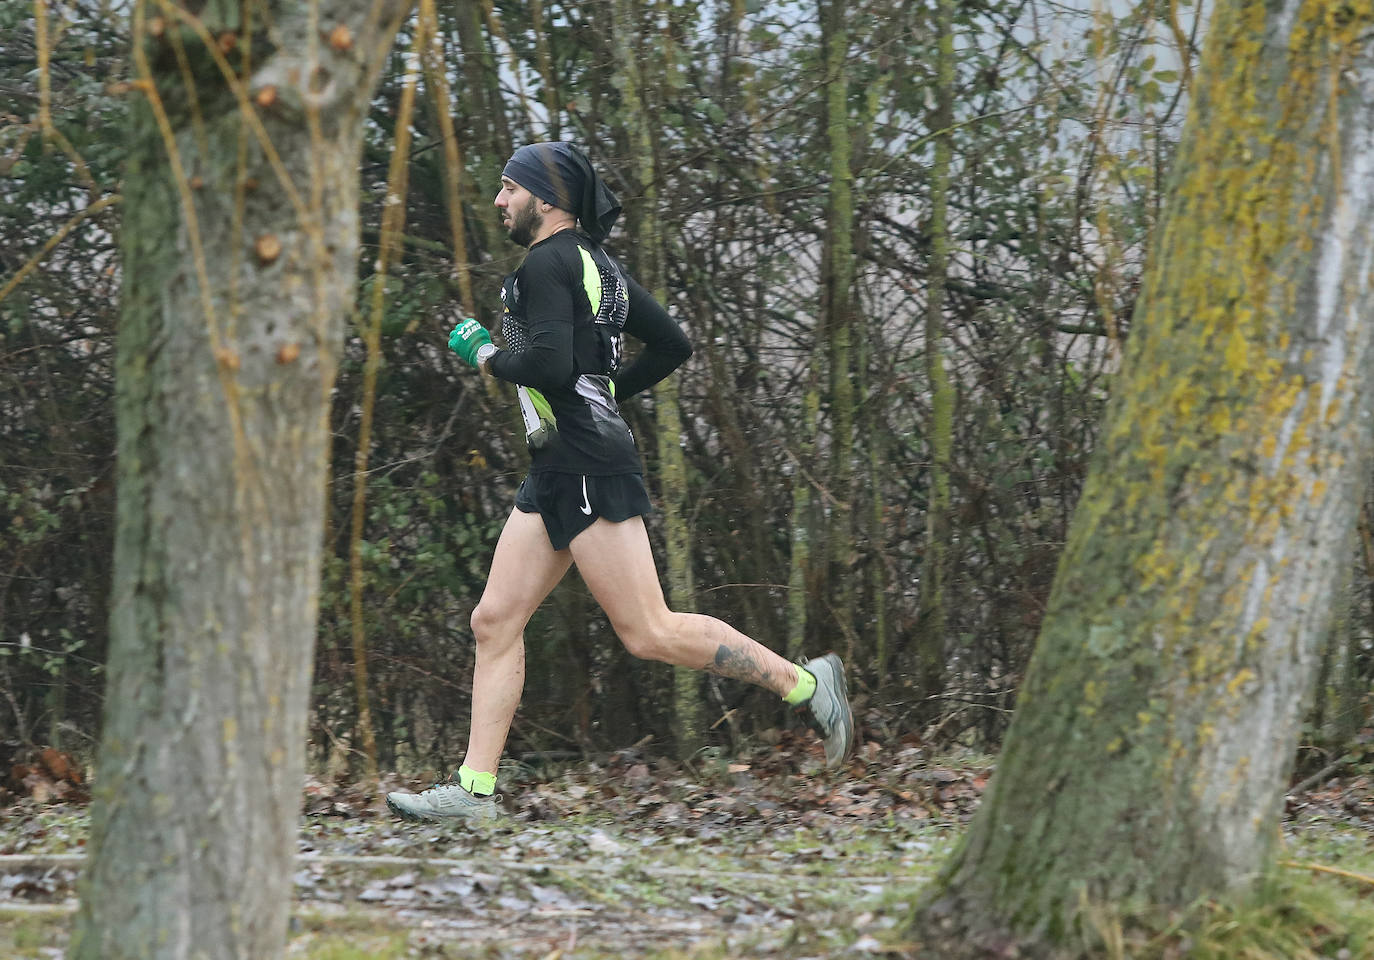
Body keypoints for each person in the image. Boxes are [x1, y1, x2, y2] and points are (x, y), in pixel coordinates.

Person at [385, 142, 854, 823]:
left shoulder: (547, 262)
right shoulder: (595, 265)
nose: (499, 201)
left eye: (510, 189)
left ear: (546, 200)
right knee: (494, 621)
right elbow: (672, 346)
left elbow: (545, 367)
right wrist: (602, 394)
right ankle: (474, 792)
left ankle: (807, 683)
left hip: (585, 469)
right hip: (559, 466)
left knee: (648, 630)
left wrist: (484, 353)